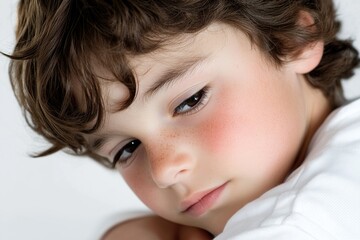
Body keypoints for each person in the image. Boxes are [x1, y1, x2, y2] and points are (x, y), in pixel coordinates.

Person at [5, 0, 360, 239]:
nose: (163, 171)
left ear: (290, 41)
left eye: (190, 101)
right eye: (127, 149)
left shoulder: (295, 224)